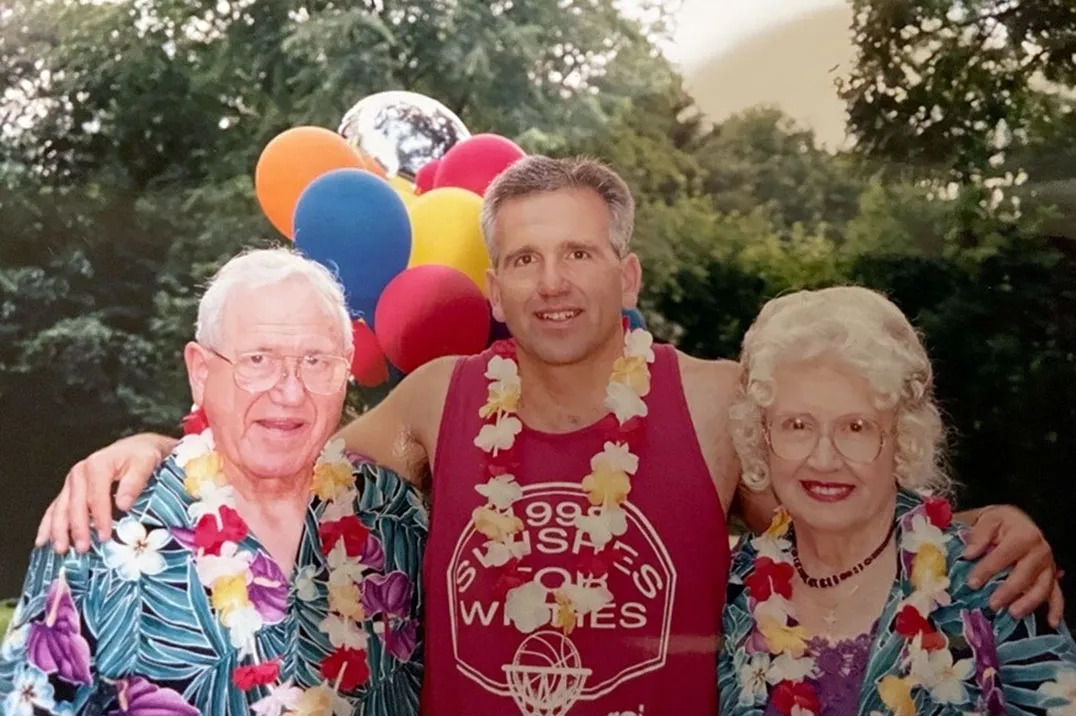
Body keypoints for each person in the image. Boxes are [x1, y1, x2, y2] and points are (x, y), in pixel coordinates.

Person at [33, 158, 1063, 715]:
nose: (552, 282)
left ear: (629, 273)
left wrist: (979, 528)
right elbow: (278, 438)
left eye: (578, 252)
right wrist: (149, 448)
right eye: (522, 260)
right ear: (493, 286)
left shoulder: (711, 398)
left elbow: (843, 480)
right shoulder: (439, 397)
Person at [0, 249, 426, 715]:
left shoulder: (394, 515)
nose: (289, 391)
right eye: (258, 359)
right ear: (200, 372)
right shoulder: (103, 528)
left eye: (316, 361)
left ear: (346, 369)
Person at [717, 286, 1076, 715]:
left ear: (903, 440)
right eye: (797, 425)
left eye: (857, 427)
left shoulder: (986, 583)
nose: (825, 458)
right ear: (761, 437)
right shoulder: (728, 593)